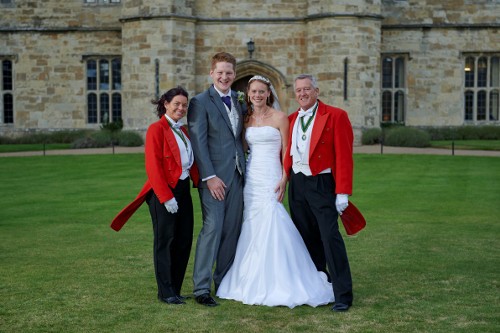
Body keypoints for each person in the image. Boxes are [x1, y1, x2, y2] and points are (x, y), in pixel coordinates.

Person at [216, 75, 334, 308]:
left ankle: (283, 277)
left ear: (268, 93)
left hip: (272, 175)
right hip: (251, 177)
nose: (258, 95)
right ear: (248, 95)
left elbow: (287, 150)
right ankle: (250, 276)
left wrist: (284, 177)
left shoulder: (280, 118)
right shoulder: (246, 119)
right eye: (254, 92)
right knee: (252, 222)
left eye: (262, 92)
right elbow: (242, 148)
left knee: (273, 219)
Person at [110, 86, 199, 305]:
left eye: (184, 105)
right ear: (165, 104)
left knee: (184, 240)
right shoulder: (156, 129)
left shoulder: (184, 131)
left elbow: (190, 162)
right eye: (176, 103)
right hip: (164, 192)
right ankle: (166, 292)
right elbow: (153, 166)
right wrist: (165, 197)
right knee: (165, 241)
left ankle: (176, 289)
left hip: (183, 189)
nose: (181, 108)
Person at [283, 74, 354, 312]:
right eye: (298, 90)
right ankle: (318, 287)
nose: (302, 93)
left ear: (317, 91)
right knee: (306, 238)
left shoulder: (336, 115)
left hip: (322, 183)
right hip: (298, 184)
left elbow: (344, 156)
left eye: (307, 89)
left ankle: (343, 293)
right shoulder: (292, 118)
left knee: (329, 237)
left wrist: (342, 192)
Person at [187, 52, 246, 307]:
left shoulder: (238, 100)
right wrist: (209, 177)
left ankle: (222, 282)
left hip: (238, 175)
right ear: (211, 73)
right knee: (213, 228)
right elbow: (198, 142)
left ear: (234, 75)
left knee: (232, 230)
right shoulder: (200, 102)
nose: (224, 76)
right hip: (214, 179)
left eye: (229, 72)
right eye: (220, 72)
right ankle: (201, 288)